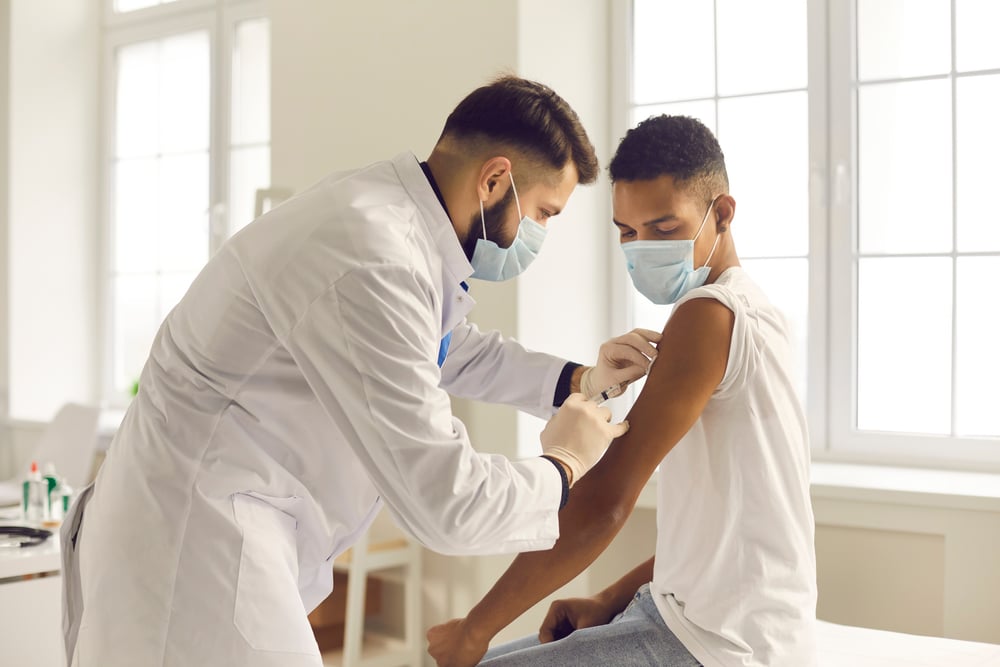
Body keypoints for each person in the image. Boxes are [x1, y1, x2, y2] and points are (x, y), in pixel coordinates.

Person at [60, 75, 661, 666]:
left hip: (215, 522)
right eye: (543, 214)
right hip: (193, 547)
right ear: (496, 178)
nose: (539, 234)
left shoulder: (386, 218)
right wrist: (564, 464)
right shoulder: (373, 256)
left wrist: (581, 381)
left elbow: (447, 347)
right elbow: (446, 505)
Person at [427, 114, 818, 667]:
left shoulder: (707, 315)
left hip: (721, 645)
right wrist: (609, 600)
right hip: (693, 615)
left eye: (663, 229)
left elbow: (606, 500)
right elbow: (730, 526)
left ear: (722, 214)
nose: (642, 249)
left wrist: (475, 629)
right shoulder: (757, 310)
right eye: (626, 233)